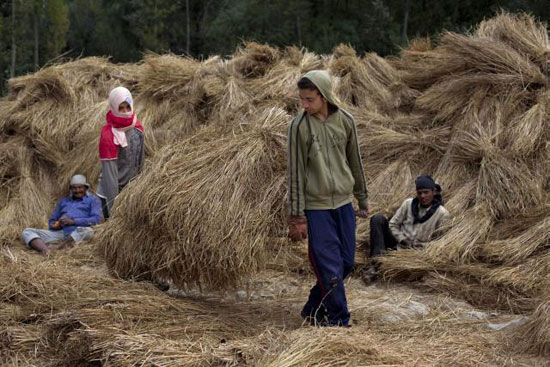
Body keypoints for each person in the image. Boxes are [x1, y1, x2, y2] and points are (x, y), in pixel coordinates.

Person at [287, 70, 369, 327]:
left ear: (324, 96)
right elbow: (295, 172)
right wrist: (297, 215)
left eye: (309, 99)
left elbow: (355, 160)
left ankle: (313, 307)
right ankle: (339, 321)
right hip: (316, 208)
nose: (304, 105)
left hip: (343, 204)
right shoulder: (298, 126)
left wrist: (362, 198)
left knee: (345, 263)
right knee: (330, 267)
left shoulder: (346, 120)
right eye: (301, 99)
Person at [364, 175, 450, 283]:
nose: (423, 196)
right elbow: (392, 225)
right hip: (398, 244)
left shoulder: (442, 213)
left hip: (419, 252)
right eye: (420, 193)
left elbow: (440, 242)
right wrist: (402, 239)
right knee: (377, 219)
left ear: (433, 192)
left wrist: (422, 246)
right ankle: (375, 264)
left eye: (426, 192)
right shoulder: (408, 204)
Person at [21, 174, 103, 255]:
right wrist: (57, 224)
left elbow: (97, 219)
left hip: (79, 232)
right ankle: (46, 251)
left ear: (86, 188)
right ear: (71, 189)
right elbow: (52, 221)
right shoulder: (63, 201)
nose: (77, 190)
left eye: (80, 187)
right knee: (27, 231)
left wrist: (73, 221)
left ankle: (59, 247)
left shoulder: (93, 200)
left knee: (88, 231)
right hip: (62, 232)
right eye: (74, 188)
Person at [97, 86, 144, 219]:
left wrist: (140, 187)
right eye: (121, 108)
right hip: (111, 194)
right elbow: (109, 175)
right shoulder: (108, 136)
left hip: (130, 190)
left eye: (127, 107)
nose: (125, 112)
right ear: (113, 108)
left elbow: (140, 159)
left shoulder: (137, 128)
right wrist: (114, 207)